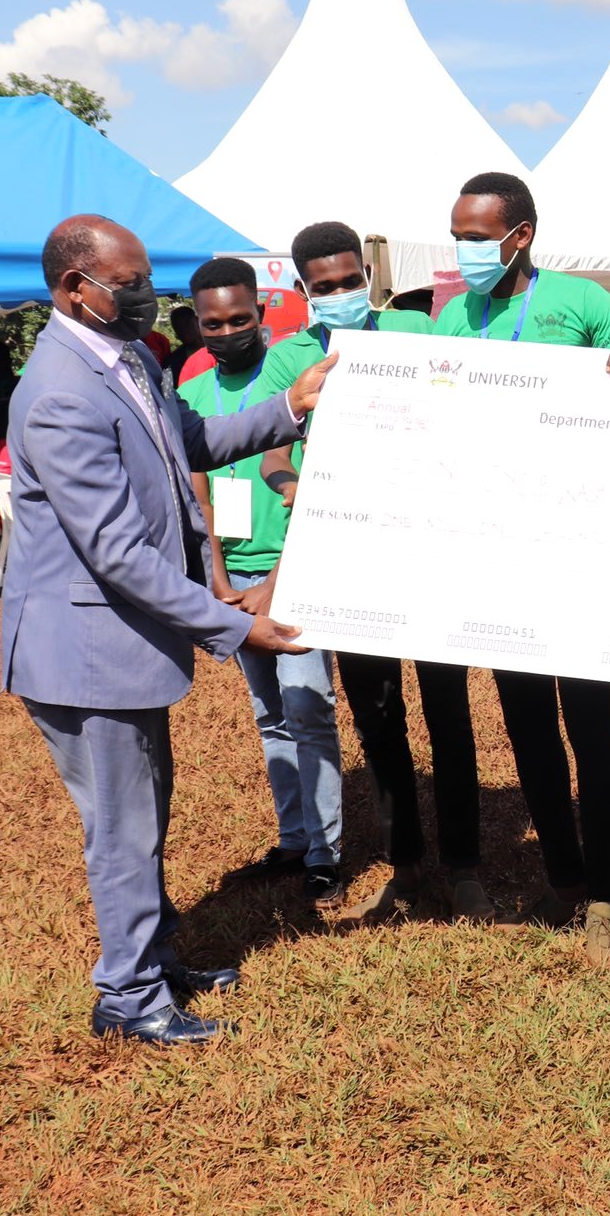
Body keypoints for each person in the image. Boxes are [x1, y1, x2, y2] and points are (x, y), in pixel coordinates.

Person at [0, 214, 334, 1045]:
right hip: (85, 651)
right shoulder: (58, 393)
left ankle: (151, 959)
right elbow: (113, 549)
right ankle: (130, 999)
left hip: (122, 645)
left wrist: (290, 405)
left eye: (150, 281)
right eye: (132, 284)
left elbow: (193, 439)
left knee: (144, 810)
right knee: (122, 829)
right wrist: (229, 624)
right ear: (75, 289)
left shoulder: (128, 362)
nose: (151, 299)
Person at [253, 221, 495, 926]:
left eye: (349, 281)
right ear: (304, 291)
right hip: (347, 560)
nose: (340, 294)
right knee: (378, 718)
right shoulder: (288, 358)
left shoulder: (417, 330)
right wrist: (288, 484)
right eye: (323, 287)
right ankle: (407, 867)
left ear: (368, 276)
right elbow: (272, 450)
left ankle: (465, 867)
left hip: (430, 552)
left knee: (449, 714)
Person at [439, 170, 610, 962]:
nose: (464, 251)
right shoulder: (453, 313)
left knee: (592, 728)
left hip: (579, 549)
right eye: (457, 235)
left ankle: (605, 895)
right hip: (497, 553)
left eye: (477, 237)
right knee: (527, 726)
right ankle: (562, 879)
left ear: (519, 235)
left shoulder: (581, 301)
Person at [177, 258, 344, 908]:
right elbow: (197, 492)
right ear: (198, 323)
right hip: (233, 580)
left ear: (261, 315)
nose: (227, 332)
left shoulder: (291, 379)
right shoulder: (189, 390)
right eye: (213, 323)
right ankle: (295, 840)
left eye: (240, 319)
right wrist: (216, 579)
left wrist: (279, 580)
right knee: (270, 715)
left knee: (309, 711)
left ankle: (328, 857)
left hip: (293, 570)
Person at [164, 304, 204, 384]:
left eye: (187, 325)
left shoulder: (217, 349)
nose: (183, 332)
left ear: (197, 321)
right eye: (178, 328)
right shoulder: (173, 362)